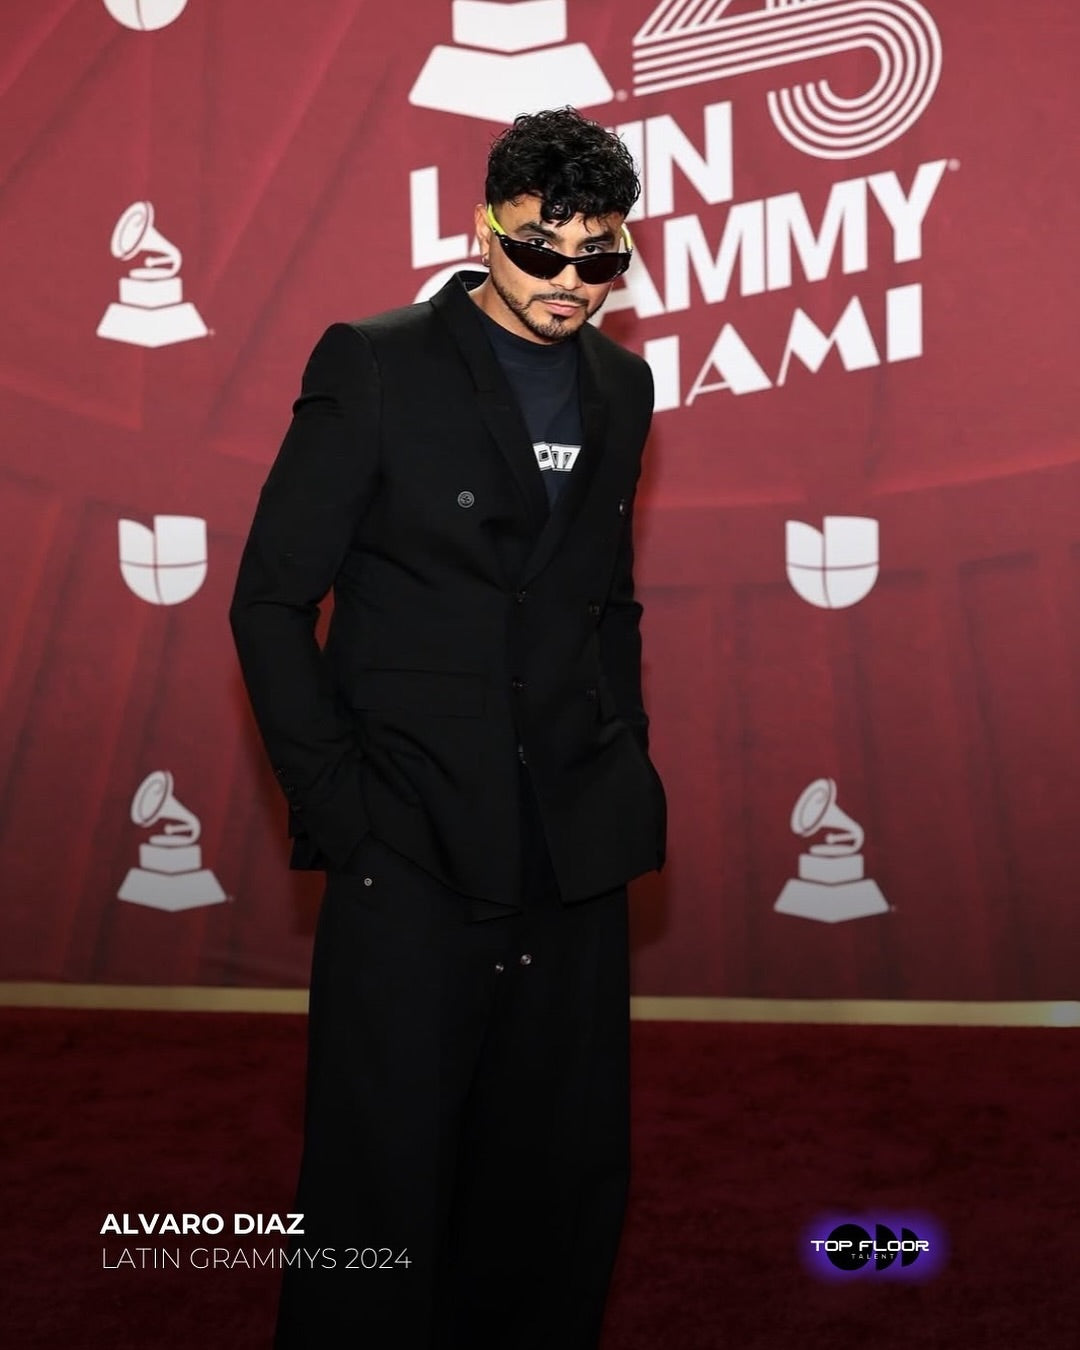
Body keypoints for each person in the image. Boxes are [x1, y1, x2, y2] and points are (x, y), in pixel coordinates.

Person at [229, 106, 666, 1350]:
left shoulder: (624, 384)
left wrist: (625, 765)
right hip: (411, 830)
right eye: (540, 251)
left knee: (556, 1168)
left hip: (571, 837)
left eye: (599, 258)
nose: (569, 281)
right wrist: (344, 807)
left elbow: (605, 602)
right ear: (484, 230)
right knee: (380, 1168)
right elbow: (269, 602)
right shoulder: (378, 364)